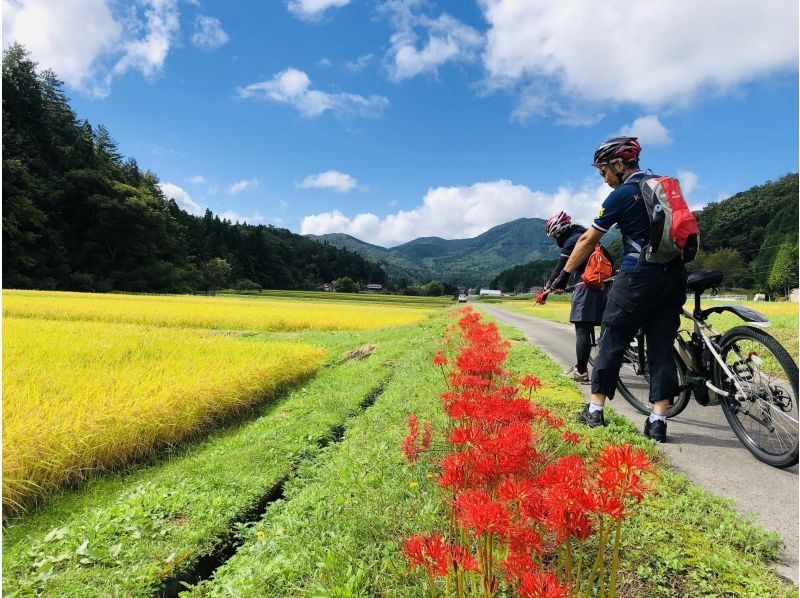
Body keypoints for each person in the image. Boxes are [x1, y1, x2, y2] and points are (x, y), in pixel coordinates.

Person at [549, 137, 687, 442]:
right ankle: (658, 421)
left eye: (604, 172)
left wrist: (563, 276)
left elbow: (588, 240)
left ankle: (595, 411)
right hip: (674, 276)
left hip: (639, 276)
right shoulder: (663, 187)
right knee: (661, 346)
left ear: (619, 165)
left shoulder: (622, 194)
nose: (605, 179)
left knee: (612, 337)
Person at [540, 211, 607, 384]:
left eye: (555, 235)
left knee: (582, 329)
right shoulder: (585, 235)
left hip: (587, 288)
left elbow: (560, 269)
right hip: (605, 286)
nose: (555, 239)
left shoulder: (572, 241)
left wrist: (546, 290)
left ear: (560, 231)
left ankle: (581, 371)